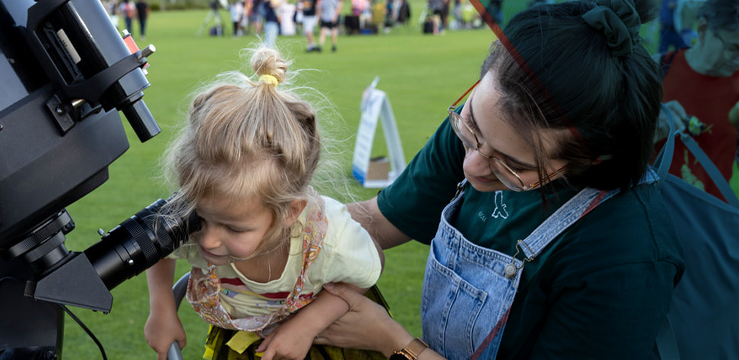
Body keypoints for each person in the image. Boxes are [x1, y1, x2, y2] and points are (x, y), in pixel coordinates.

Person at [310, 0, 685, 359]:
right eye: (470, 125)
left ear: (590, 159)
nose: (472, 165)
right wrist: (279, 224)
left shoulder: (625, 255)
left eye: (512, 165)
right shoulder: (490, 132)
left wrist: (395, 342)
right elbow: (378, 222)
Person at [144, 47, 386, 360]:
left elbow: (366, 271)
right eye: (200, 218)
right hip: (243, 343)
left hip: (327, 342)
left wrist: (307, 325)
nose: (207, 239)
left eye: (233, 227)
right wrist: (161, 310)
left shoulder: (327, 239)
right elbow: (157, 245)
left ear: (290, 212)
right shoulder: (205, 216)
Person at [655, 0, 739, 201]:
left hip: (709, 219)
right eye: (734, 47)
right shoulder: (656, 69)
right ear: (702, 29)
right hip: (655, 210)